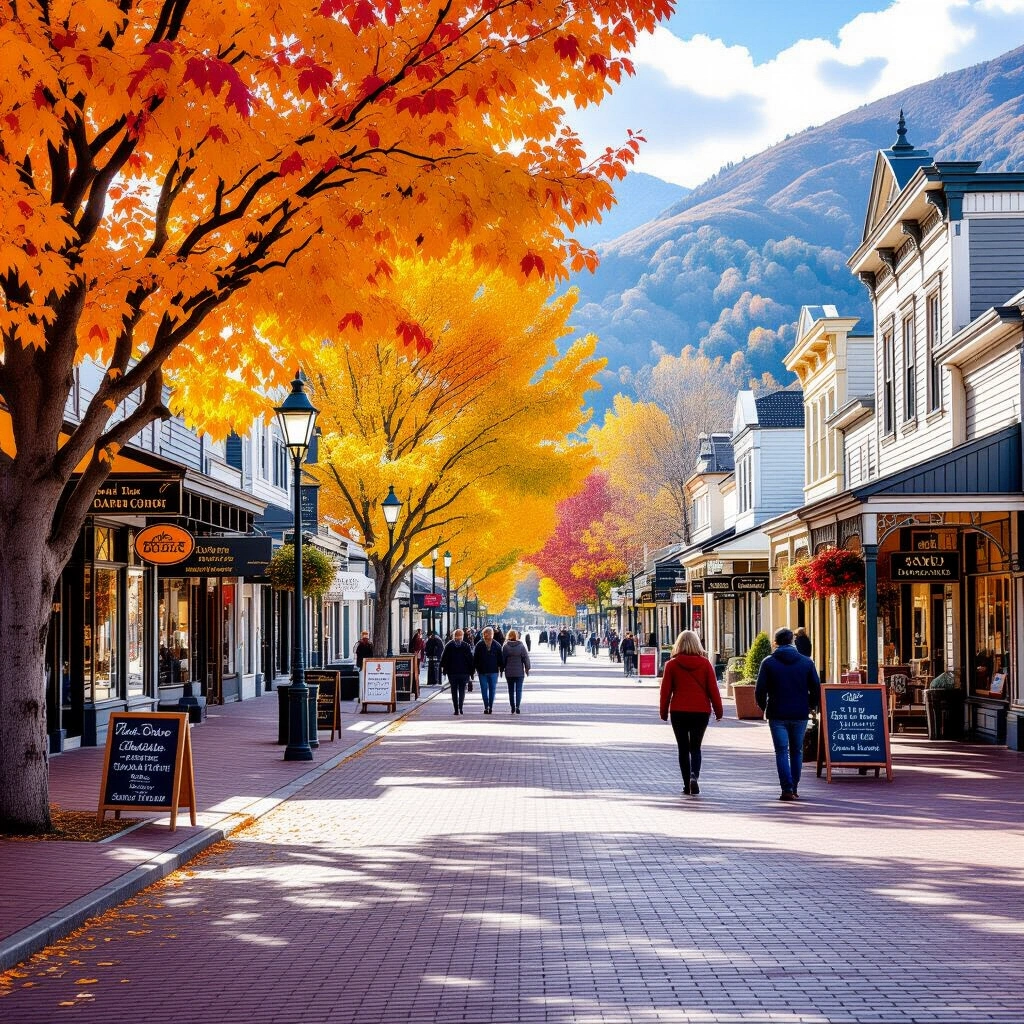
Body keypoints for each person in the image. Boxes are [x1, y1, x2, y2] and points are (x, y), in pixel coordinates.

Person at [755, 626, 821, 801]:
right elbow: (816, 688)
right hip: (799, 713)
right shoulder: (807, 662)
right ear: (792, 641)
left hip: (777, 713)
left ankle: (787, 788)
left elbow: (760, 690)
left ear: (775, 642)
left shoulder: (768, 662)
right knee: (797, 751)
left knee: (781, 751)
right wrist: (810, 706)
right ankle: (795, 786)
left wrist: (765, 707)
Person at [659, 630, 723, 796]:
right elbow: (713, 689)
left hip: (679, 710)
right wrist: (719, 710)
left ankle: (686, 784)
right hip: (701, 711)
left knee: (682, 748)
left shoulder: (671, 665)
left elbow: (665, 692)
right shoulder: (705, 664)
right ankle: (694, 775)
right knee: (695, 747)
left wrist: (663, 712)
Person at [440, 628, 475, 715]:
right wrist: (472, 671)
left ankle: (456, 709)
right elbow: (470, 659)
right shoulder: (466, 646)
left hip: (452, 672)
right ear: (462, 636)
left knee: (454, 690)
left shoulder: (449, 645)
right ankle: (461, 707)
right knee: (462, 690)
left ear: (454, 636)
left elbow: (444, 658)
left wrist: (443, 668)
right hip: (464, 672)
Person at [473, 626, 504, 713]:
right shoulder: (496, 645)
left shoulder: (479, 644)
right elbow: (500, 659)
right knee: (491, 689)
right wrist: (501, 669)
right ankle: (489, 706)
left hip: (483, 670)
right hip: (492, 670)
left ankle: (487, 706)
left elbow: (475, 658)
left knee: (484, 689)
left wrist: (474, 669)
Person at [502, 629, 531, 713]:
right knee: (519, 690)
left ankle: (512, 707)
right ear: (516, 636)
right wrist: (527, 668)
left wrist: (501, 669)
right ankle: (518, 706)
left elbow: (503, 659)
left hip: (509, 672)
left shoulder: (505, 646)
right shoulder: (521, 646)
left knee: (511, 690)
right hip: (519, 672)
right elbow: (526, 658)